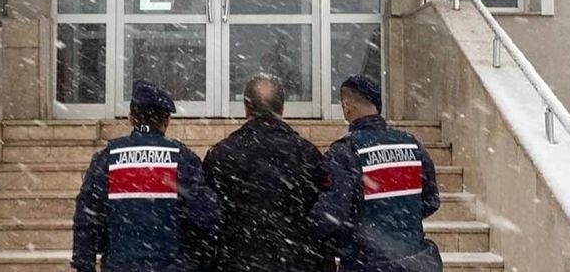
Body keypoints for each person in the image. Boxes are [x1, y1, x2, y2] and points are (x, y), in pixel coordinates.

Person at [71, 80, 220, 272]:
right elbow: (205, 217)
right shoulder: (182, 158)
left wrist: (85, 264)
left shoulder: (108, 158)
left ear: (131, 119)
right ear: (166, 120)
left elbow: (87, 218)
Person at [311, 75, 442, 272]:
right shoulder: (411, 144)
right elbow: (431, 201)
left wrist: (306, 232)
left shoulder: (345, 151)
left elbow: (333, 212)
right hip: (414, 260)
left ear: (347, 106)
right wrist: (398, 223)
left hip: (367, 262)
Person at [203, 73, 326, 272]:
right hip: (294, 261)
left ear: (246, 108)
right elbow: (323, 212)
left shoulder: (221, 154)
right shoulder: (307, 154)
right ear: (282, 108)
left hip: (237, 259)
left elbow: (208, 213)